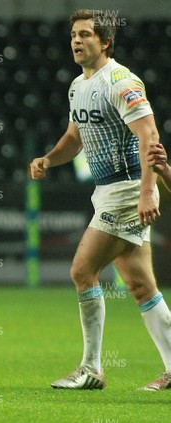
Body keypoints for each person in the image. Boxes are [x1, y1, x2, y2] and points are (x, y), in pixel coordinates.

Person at [30, 9, 171, 390]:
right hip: (106, 190)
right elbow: (74, 139)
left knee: (81, 270)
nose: (76, 41)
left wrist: (146, 191)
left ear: (105, 41)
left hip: (126, 189)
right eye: (73, 35)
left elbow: (149, 135)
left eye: (85, 34)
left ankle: (92, 368)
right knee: (141, 285)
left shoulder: (122, 81)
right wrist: (48, 158)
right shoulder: (78, 86)